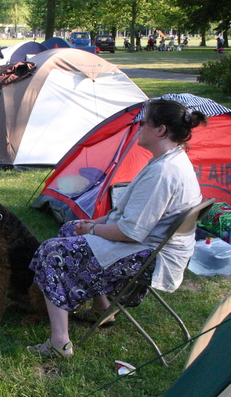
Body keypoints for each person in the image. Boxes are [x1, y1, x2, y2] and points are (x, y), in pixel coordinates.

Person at [27, 99, 207, 358]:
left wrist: (91, 230)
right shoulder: (166, 160)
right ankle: (102, 308)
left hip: (151, 257)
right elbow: (126, 216)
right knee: (70, 228)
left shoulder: (165, 172)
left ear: (161, 130)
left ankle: (59, 342)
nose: (138, 126)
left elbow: (130, 233)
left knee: (50, 251)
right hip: (151, 245)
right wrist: (91, 225)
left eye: (144, 123)